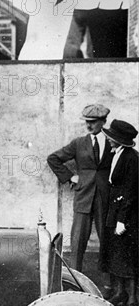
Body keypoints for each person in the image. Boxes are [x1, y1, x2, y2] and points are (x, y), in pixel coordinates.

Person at [47, 104, 113, 274]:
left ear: (103, 122)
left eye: (93, 122)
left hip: (105, 197)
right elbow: (53, 159)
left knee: (108, 241)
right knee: (77, 242)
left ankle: (110, 286)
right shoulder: (79, 143)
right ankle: (75, 280)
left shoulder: (112, 142)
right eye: (86, 122)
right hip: (83, 196)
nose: (89, 125)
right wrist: (70, 176)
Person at [100, 120, 138, 306]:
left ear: (118, 140)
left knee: (128, 259)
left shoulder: (132, 158)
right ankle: (119, 293)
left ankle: (133, 301)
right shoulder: (116, 154)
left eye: (110, 137)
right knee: (116, 255)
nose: (107, 139)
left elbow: (131, 191)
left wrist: (122, 220)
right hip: (114, 211)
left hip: (127, 215)